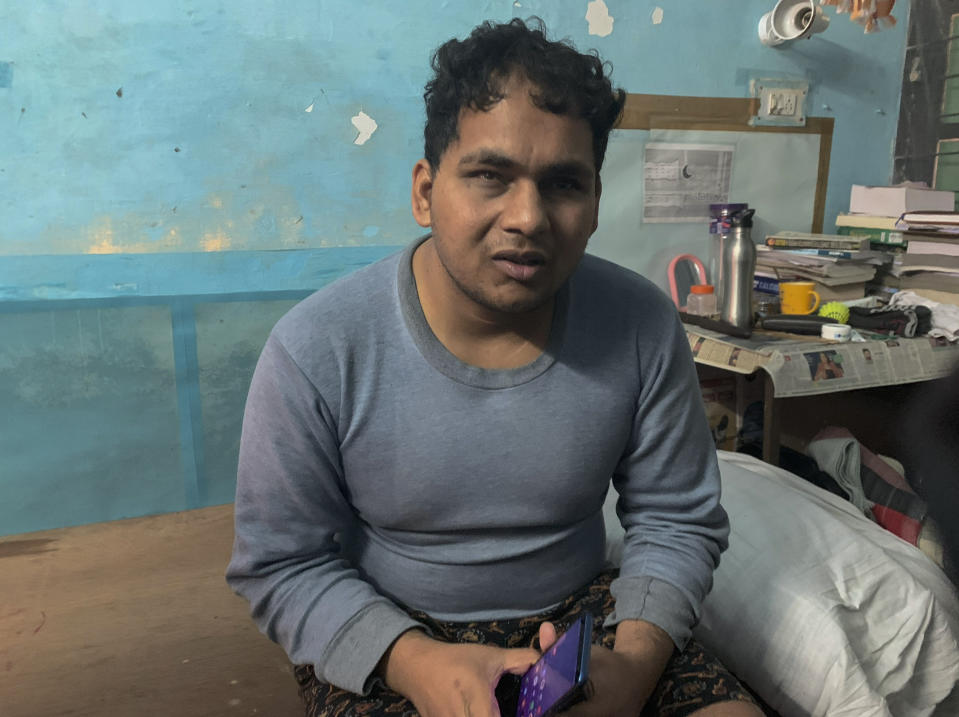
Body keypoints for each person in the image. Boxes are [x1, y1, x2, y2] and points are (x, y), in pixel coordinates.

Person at [227, 18, 761, 717]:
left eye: (564, 184)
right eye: (489, 176)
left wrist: (631, 667)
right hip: (395, 627)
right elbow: (279, 562)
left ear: (595, 203)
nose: (527, 217)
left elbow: (675, 519)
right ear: (424, 191)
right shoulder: (316, 346)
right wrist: (417, 663)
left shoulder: (639, 324)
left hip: (581, 622)